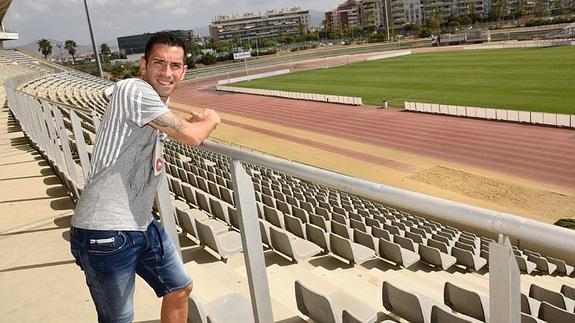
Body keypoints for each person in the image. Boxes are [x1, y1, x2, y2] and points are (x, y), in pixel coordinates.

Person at [70, 32, 221, 323]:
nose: (167, 72)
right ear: (143, 65)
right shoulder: (134, 90)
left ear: (184, 70)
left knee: (179, 287)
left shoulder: (148, 105)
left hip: (140, 224)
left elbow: (165, 122)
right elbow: (192, 136)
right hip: (105, 231)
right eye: (159, 63)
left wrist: (180, 121)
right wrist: (211, 119)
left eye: (175, 65)